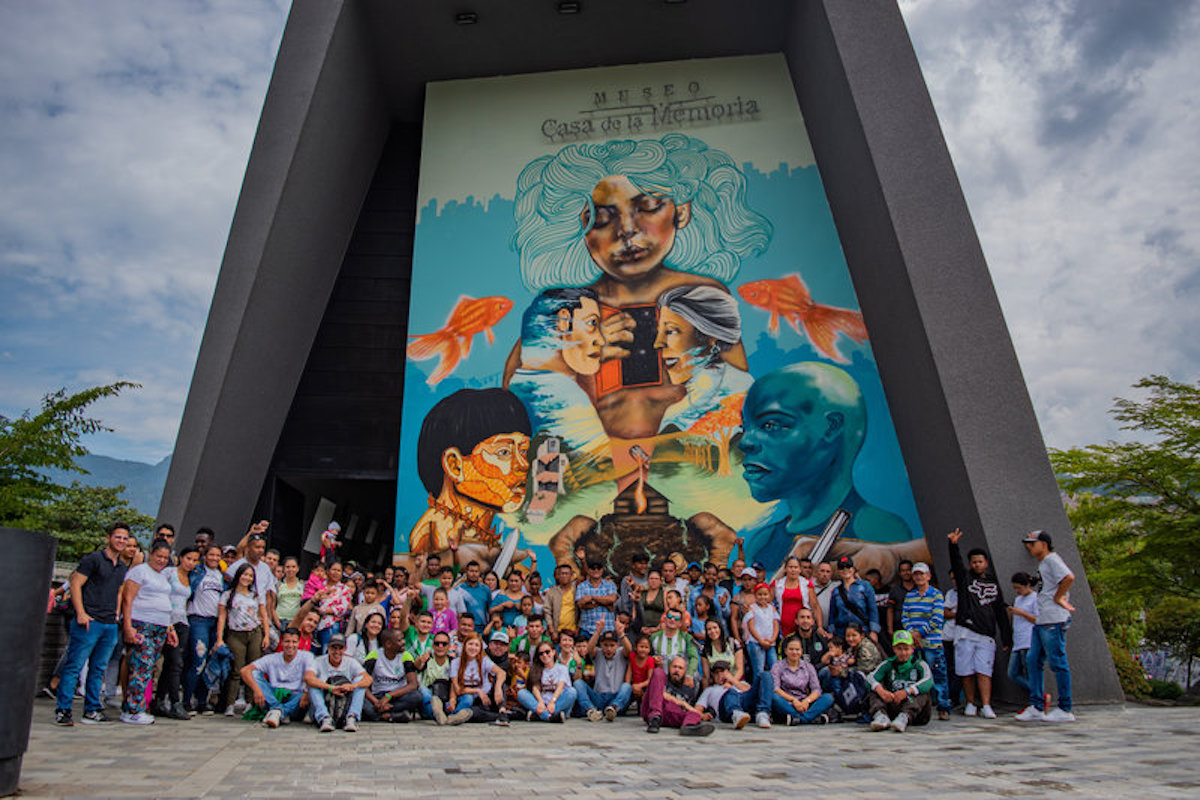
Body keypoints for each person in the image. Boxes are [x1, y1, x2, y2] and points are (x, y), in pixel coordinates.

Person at [510, 134, 771, 441]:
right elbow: (516, 397)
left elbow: (738, 393)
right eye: (603, 218)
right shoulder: (566, 307)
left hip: (687, 460)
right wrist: (581, 351)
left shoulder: (702, 293)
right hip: (594, 467)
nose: (627, 231)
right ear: (581, 226)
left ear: (682, 211)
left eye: (647, 207)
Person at [737, 363, 917, 572]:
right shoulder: (762, 543)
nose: (744, 442)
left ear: (831, 427)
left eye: (770, 425)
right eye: (745, 427)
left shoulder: (878, 531)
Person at [508, 287, 609, 451]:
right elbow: (603, 470)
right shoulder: (564, 396)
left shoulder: (519, 382)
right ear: (563, 320)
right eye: (592, 323)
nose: (600, 340)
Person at [54, 523, 130, 726]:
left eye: (125, 538)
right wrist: (81, 613)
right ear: (108, 538)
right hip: (89, 621)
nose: (121, 541)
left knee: (99, 668)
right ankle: (63, 710)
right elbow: (76, 583)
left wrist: (115, 615)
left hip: (109, 623)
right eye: (118, 537)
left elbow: (117, 592)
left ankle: (92, 709)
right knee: (75, 665)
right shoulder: (93, 559)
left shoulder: (122, 566)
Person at [653, 284, 754, 432]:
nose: (657, 343)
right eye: (659, 332)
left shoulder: (739, 391)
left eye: (670, 331)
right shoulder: (693, 399)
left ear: (710, 336)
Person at [946, 528, 1011, 719]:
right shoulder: (965, 578)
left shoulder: (994, 584)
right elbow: (956, 564)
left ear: (986, 563)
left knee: (984, 670)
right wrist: (953, 545)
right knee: (966, 671)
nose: (977, 564)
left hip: (986, 634)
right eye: (973, 562)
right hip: (965, 631)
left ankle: (986, 704)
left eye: (980, 561)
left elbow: (1000, 612)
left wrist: (1006, 636)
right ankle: (970, 703)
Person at [1017, 530, 1076, 722]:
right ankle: (1036, 705)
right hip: (1043, 619)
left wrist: (1058, 597)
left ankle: (1065, 708)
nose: (1029, 547)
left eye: (1032, 544)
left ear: (1043, 544)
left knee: (1057, 662)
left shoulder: (1052, 560)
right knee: (1033, 660)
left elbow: (1068, 577)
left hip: (1053, 619)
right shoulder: (1043, 563)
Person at [119, 539, 179, 725]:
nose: (161, 560)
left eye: (165, 558)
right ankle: (132, 709)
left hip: (159, 626)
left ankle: (136, 705)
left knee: (148, 667)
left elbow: (165, 602)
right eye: (158, 556)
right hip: (141, 623)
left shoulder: (162, 576)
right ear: (150, 554)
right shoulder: (139, 571)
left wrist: (169, 627)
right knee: (141, 666)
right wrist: (128, 625)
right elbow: (127, 599)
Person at [216, 563, 271, 716]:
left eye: (250, 576)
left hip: (254, 633)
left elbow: (264, 615)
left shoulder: (255, 595)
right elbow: (222, 617)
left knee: (253, 669)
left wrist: (266, 635)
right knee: (236, 669)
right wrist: (219, 638)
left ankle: (250, 701)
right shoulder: (228, 595)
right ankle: (230, 703)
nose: (247, 578)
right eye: (244, 574)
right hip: (235, 634)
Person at [153, 545, 199, 719]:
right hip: (166, 621)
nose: (191, 563)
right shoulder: (169, 573)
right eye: (189, 559)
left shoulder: (192, 578)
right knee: (176, 663)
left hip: (182, 622)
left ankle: (159, 701)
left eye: (195, 560)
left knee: (172, 664)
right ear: (181, 558)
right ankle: (175, 702)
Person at [901, 562, 951, 720]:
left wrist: (920, 633)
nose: (919, 577)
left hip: (932, 642)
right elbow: (905, 617)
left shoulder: (936, 595)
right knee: (915, 676)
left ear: (928, 576)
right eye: (916, 574)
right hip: (914, 644)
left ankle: (943, 707)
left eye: (922, 574)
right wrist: (912, 634)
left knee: (938, 675)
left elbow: (937, 619)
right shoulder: (910, 595)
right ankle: (917, 708)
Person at [241, 628, 314, 727]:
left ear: (299, 643)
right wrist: (256, 689)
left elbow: (311, 676)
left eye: (294, 642)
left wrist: (306, 693)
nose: (290, 645)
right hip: (273, 696)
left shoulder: (306, 656)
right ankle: (279, 710)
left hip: (295, 699)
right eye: (287, 641)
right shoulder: (272, 658)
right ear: (282, 642)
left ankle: (278, 712)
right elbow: (245, 671)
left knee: (311, 688)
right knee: (255, 674)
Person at [183, 544, 225, 714]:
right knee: (197, 661)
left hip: (215, 623)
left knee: (209, 662)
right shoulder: (197, 572)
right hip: (198, 620)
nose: (214, 558)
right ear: (205, 556)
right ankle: (185, 701)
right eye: (211, 555)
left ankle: (202, 701)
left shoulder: (223, 577)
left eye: (217, 555)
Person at [866, 630, 934, 732]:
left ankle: (904, 718)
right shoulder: (888, 664)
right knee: (874, 690)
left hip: (915, 710)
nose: (903, 653)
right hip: (894, 704)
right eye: (899, 649)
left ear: (912, 649)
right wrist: (881, 690)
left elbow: (928, 680)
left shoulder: (920, 664)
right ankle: (881, 716)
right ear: (894, 649)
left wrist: (907, 691)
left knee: (923, 693)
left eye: (906, 649)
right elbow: (870, 678)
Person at [305, 633, 371, 732]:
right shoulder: (319, 661)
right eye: (333, 648)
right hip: (325, 701)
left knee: (360, 681)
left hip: (344, 702)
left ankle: (351, 717)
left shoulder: (350, 662)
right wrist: (330, 688)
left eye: (340, 648)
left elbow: (368, 679)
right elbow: (308, 677)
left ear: (345, 649)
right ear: (328, 648)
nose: (337, 652)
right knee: (314, 685)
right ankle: (324, 718)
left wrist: (352, 686)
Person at [639, 655, 715, 736]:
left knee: (694, 714)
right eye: (674, 666)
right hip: (652, 710)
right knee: (658, 671)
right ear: (669, 668)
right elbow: (657, 693)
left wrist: (701, 715)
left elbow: (688, 709)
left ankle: (688, 727)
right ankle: (655, 718)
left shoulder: (688, 689)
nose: (676, 670)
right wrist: (682, 703)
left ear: (685, 671)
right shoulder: (661, 678)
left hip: (670, 715)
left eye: (680, 668)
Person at [364, 629, 426, 723]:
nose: (404, 642)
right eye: (399, 640)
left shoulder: (406, 656)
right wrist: (376, 702)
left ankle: (381, 715)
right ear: (388, 644)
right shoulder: (374, 656)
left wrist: (389, 696)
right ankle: (390, 716)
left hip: (397, 695)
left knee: (416, 697)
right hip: (378, 696)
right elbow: (363, 684)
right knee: (362, 702)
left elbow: (413, 684)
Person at [770, 636, 835, 725]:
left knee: (828, 698)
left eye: (797, 649)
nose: (794, 652)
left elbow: (816, 689)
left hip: (805, 703)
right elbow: (776, 689)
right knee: (774, 698)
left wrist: (806, 701)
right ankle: (810, 718)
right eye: (791, 649)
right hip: (787, 703)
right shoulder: (778, 666)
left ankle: (800, 719)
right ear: (785, 651)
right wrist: (793, 700)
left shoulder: (808, 666)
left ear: (801, 651)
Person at [575, 625, 632, 721]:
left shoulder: (621, 653)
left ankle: (614, 708)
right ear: (601, 644)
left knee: (627, 686)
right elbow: (589, 649)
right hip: (599, 697)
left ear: (617, 645)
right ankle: (590, 710)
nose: (608, 649)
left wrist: (621, 634)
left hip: (615, 696)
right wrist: (597, 632)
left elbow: (629, 649)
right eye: (605, 645)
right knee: (578, 683)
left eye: (612, 645)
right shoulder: (598, 653)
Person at [698, 660, 773, 729]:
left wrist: (732, 681)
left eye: (722, 672)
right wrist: (703, 715)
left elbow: (749, 691)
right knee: (731, 692)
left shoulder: (739, 683)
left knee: (765, 675)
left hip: (744, 703)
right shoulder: (709, 690)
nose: (720, 675)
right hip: (725, 710)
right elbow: (697, 708)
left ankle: (762, 713)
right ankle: (736, 714)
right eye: (716, 673)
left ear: (729, 673)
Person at [826, 555, 880, 641]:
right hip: (841, 634)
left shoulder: (865, 586)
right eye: (842, 568)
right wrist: (831, 633)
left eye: (848, 566)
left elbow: (873, 609)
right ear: (839, 572)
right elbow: (832, 614)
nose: (845, 570)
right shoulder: (836, 591)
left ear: (853, 569)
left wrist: (874, 631)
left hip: (862, 632)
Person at [519, 643, 576, 722]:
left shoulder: (562, 668)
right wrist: (540, 702)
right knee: (521, 693)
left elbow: (560, 686)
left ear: (553, 652)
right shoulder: (535, 669)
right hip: (541, 704)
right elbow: (535, 688)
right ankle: (550, 717)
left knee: (572, 692)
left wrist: (552, 702)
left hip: (557, 704)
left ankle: (540, 716)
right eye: (541, 653)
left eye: (547, 652)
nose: (545, 655)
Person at [773, 556, 822, 641]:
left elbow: (815, 606)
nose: (793, 570)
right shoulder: (777, 584)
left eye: (795, 567)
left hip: (802, 625)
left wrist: (820, 626)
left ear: (800, 570)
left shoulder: (806, 584)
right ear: (785, 569)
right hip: (782, 626)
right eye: (790, 567)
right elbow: (768, 604)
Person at [1007, 572, 1038, 696]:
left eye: (1019, 588)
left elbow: (1037, 619)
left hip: (1029, 639)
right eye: (1015, 588)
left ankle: (1037, 696)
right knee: (1012, 673)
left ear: (1028, 585)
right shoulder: (1018, 599)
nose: (1017, 591)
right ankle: (1037, 693)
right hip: (1018, 640)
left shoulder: (1035, 598)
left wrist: (1022, 613)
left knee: (1030, 671)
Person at [649, 609, 700, 682]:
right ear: (665, 619)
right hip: (660, 676)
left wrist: (689, 674)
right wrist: (653, 659)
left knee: (695, 675)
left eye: (676, 618)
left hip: (680, 677)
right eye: (669, 616)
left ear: (680, 623)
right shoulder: (654, 637)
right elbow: (647, 656)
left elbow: (694, 658)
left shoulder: (687, 638)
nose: (672, 620)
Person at [743, 583, 779, 678]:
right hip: (756, 642)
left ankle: (773, 689)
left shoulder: (772, 608)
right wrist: (760, 640)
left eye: (765, 594)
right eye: (760, 594)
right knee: (759, 669)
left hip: (770, 643)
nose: (763, 597)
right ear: (755, 595)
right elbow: (751, 627)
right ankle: (759, 690)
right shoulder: (752, 608)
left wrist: (773, 639)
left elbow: (775, 625)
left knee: (774, 667)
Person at [575, 560, 618, 639]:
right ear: (588, 570)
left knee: (608, 651)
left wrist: (592, 597)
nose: (596, 570)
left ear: (602, 570)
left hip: (607, 629)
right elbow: (581, 604)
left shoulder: (610, 585)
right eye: (593, 568)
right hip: (587, 629)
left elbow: (612, 600)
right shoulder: (582, 586)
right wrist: (604, 602)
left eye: (598, 568)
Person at [700, 619, 744, 686]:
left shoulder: (732, 643)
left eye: (715, 627)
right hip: (718, 684)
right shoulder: (705, 650)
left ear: (720, 628)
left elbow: (740, 670)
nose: (712, 631)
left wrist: (731, 683)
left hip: (735, 682)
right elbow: (706, 677)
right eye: (709, 629)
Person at [274, 556, 304, 629]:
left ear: (297, 569)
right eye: (287, 567)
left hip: (297, 621)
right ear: (283, 569)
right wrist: (277, 622)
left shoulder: (303, 585)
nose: (291, 569)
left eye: (293, 567)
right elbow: (272, 605)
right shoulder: (278, 585)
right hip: (280, 619)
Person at [638, 569, 666, 634]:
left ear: (660, 581)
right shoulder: (642, 593)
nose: (653, 581)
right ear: (647, 580)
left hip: (659, 628)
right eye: (651, 578)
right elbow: (636, 612)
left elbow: (667, 612)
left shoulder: (664, 594)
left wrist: (657, 628)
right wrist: (640, 627)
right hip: (642, 628)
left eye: (656, 579)